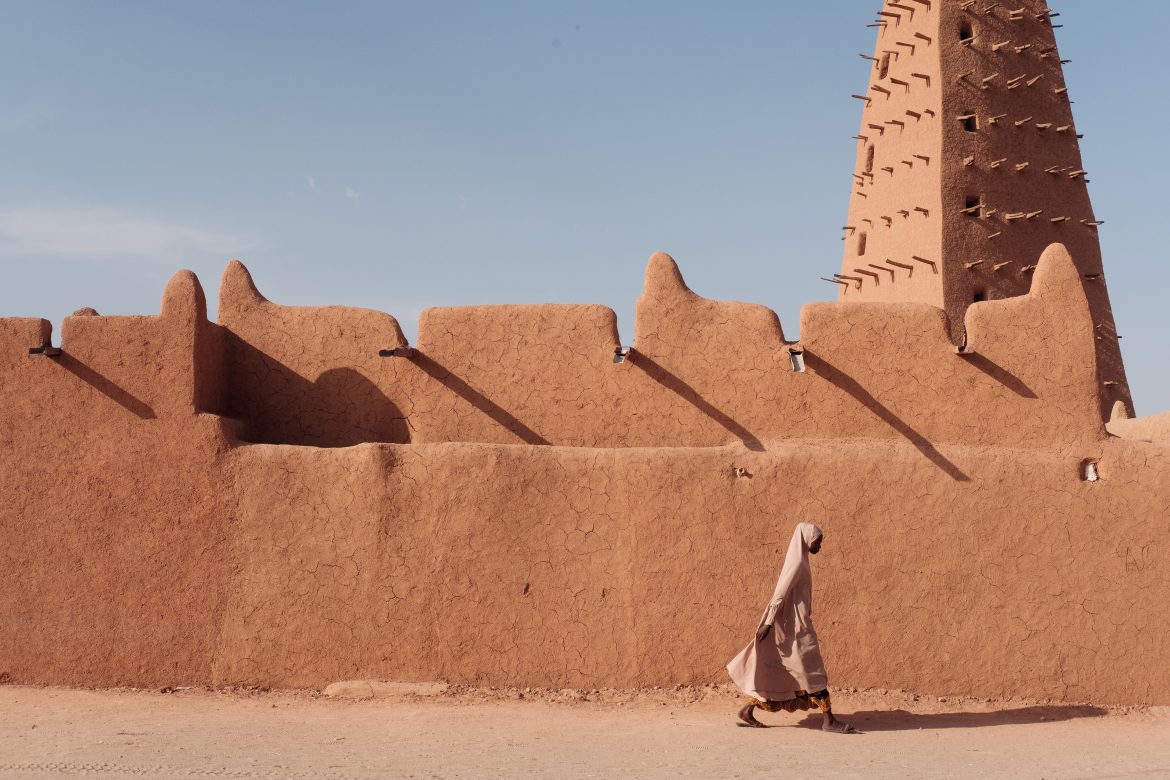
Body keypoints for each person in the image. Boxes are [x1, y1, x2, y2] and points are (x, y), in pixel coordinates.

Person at [726, 522, 855, 733]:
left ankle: (748, 711)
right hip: (795, 630)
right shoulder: (796, 564)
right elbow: (780, 593)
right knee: (814, 673)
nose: (820, 545)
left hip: (798, 626)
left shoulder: (802, 562)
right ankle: (829, 721)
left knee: (791, 675)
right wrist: (768, 622)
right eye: (818, 540)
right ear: (806, 538)